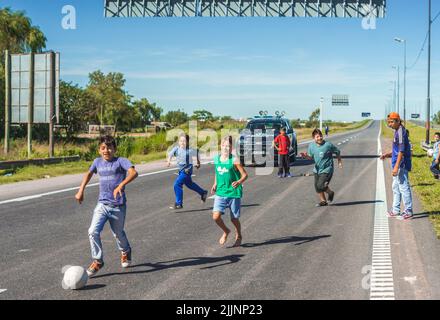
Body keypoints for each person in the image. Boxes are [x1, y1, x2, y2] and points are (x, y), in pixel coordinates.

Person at [75, 135, 138, 276]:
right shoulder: (97, 162)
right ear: (99, 150)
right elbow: (88, 174)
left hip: (118, 206)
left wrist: (121, 185)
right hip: (102, 204)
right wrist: (81, 190)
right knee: (92, 231)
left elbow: (134, 172)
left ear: (115, 149)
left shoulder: (121, 161)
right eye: (103, 148)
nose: (106, 150)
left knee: (118, 233)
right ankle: (98, 260)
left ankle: (125, 251)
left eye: (109, 147)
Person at [211, 136, 248, 247]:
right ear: (220, 146)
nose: (225, 148)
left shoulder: (234, 160)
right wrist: (215, 183)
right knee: (215, 217)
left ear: (231, 147)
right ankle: (226, 231)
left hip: (233, 193)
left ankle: (239, 235)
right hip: (221, 192)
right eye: (223, 145)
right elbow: (217, 172)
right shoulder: (217, 159)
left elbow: (245, 175)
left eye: (228, 146)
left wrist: (239, 182)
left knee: (234, 218)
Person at [380, 112, 413, 220]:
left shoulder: (400, 132)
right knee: (396, 187)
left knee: (404, 187)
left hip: (401, 165)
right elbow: (396, 150)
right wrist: (388, 154)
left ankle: (408, 211)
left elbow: (401, 151)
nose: (389, 124)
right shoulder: (397, 131)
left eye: (391, 122)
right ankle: (395, 210)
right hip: (397, 164)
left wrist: (396, 167)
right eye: (388, 122)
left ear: (398, 121)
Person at [300, 129, 342, 207]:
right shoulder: (311, 146)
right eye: (317, 137)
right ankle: (323, 201)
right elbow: (310, 157)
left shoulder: (328, 145)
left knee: (320, 185)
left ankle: (330, 193)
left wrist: (339, 161)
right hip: (317, 169)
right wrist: (305, 156)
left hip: (327, 169)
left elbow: (337, 151)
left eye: (321, 136)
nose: (319, 138)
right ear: (313, 138)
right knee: (317, 187)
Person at [167, 134, 208, 210]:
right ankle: (203, 192)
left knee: (177, 184)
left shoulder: (189, 150)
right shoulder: (176, 148)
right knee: (189, 184)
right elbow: (170, 154)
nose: (182, 143)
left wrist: (198, 163)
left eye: (184, 141)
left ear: (188, 142)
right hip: (181, 170)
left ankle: (179, 203)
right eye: (181, 141)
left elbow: (197, 153)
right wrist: (168, 161)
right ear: (178, 142)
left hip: (187, 170)